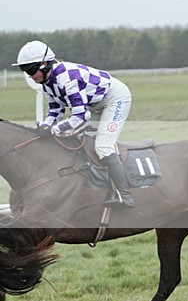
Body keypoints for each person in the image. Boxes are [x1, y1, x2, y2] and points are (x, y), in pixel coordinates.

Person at [12, 40, 136, 207]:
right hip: (94, 104)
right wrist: (46, 125)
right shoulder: (47, 82)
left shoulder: (67, 78)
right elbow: (56, 110)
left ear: (44, 64)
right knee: (84, 144)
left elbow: (80, 116)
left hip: (115, 99)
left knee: (103, 146)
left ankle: (125, 195)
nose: (30, 76)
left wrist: (54, 129)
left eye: (31, 70)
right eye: (24, 70)